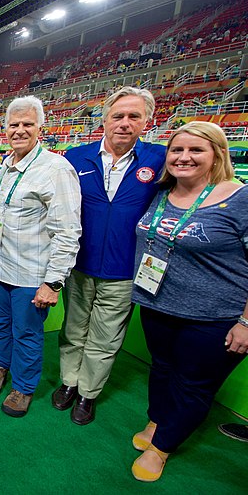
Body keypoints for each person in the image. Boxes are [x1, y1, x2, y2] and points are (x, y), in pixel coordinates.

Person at [129, 121, 248, 482]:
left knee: (193, 383)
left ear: (217, 155)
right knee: (162, 368)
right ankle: (157, 419)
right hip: (158, 304)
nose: (184, 157)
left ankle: (163, 446)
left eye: (195, 150)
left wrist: (246, 322)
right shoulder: (163, 193)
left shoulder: (239, 198)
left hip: (213, 315)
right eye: (177, 150)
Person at [55, 87, 166, 425]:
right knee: (74, 328)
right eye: (118, 116)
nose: (124, 123)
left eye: (134, 116)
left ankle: (88, 393)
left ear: (147, 122)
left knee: (106, 336)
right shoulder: (76, 157)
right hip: (79, 264)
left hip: (125, 267)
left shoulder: (159, 159)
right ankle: (68, 382)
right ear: (104, 120)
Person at [0, 96, 81, 417]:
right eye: (14, 124)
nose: (20, 130)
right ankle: (0, 366)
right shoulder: (7, 164)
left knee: (26, 333)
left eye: (27, 124)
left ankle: (23, 386)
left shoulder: (56, 169)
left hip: (30, 273)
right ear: (5, 128)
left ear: (41, 127)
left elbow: (68, 231)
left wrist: (53, 282)